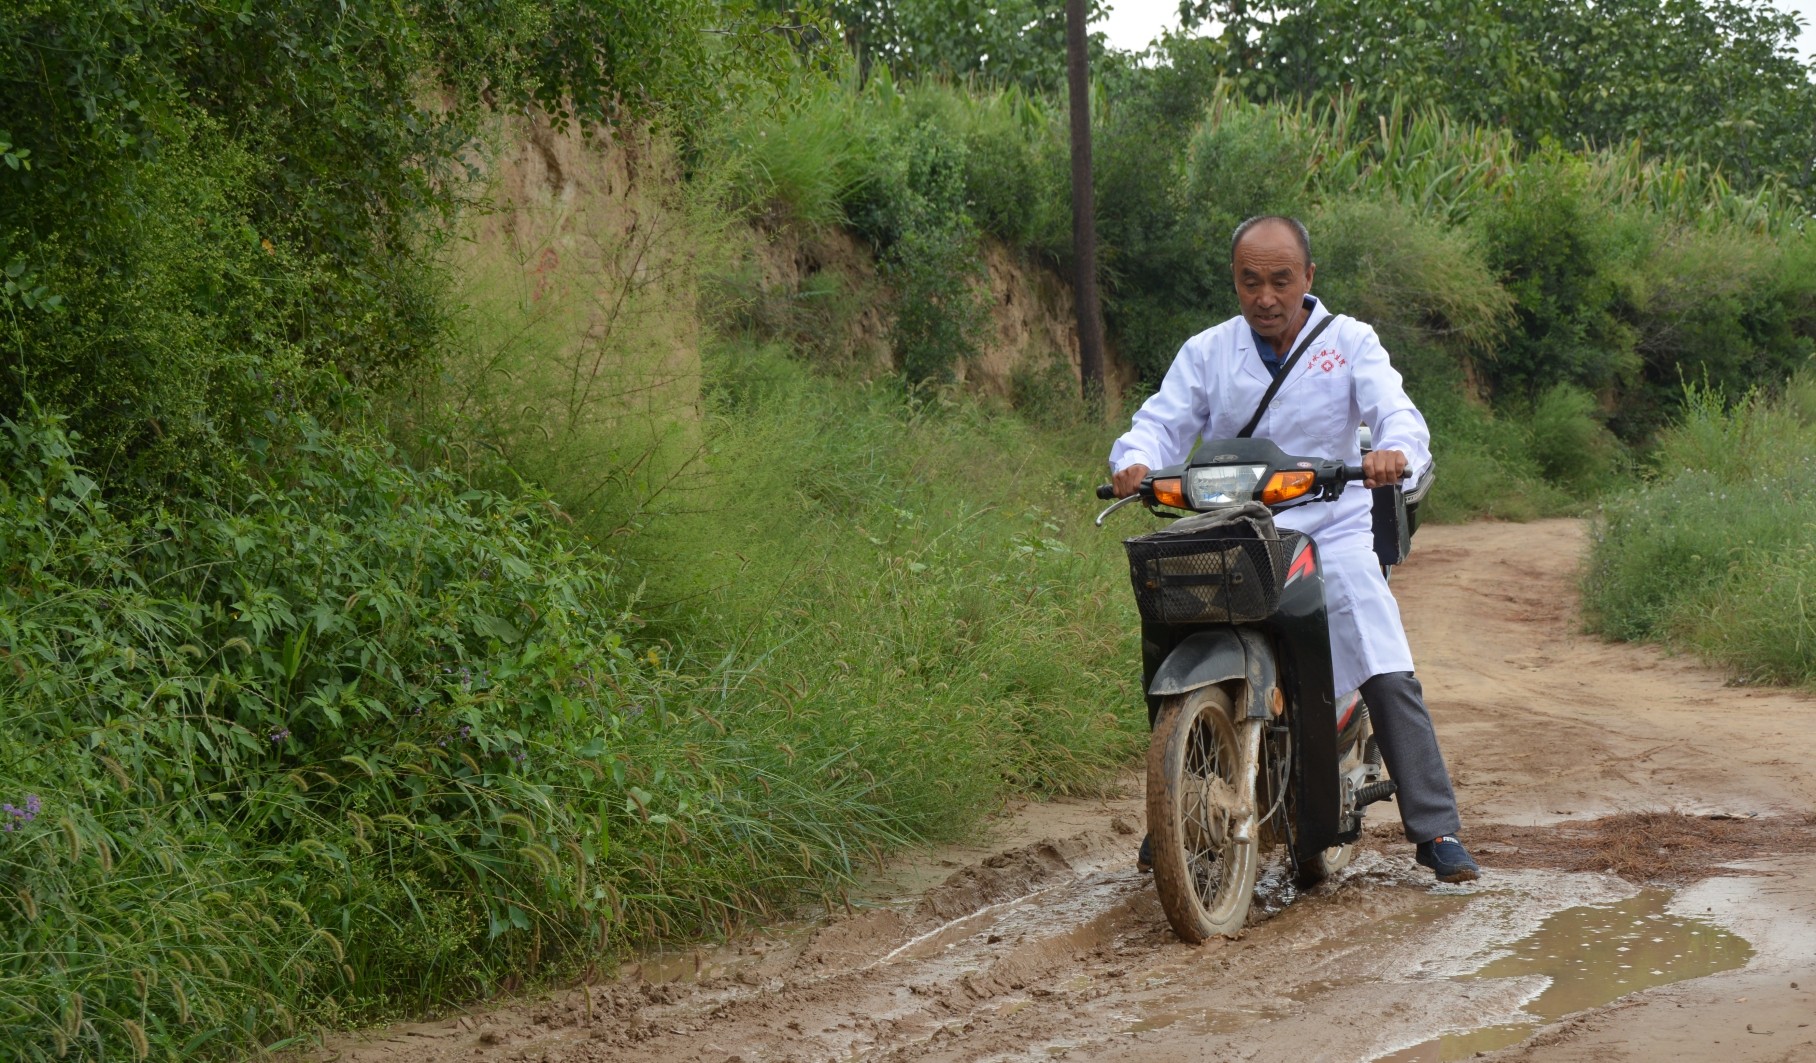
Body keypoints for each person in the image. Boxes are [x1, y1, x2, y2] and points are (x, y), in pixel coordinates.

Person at [1108, 215, 1479, 884]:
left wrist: (1395, 451)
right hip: (1234, 524)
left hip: (1329, 524)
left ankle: (1434, 825)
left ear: (1308, 277)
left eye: (1281, 280)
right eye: (1251, 282)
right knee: (1171, 615)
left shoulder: (1348, 342)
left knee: (1379, 651)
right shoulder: (1209, 351)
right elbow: (1160, 422)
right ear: (1236, 282)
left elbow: (1396, 411)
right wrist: (1135, 461)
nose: (1266, 297)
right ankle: (1175, 805)